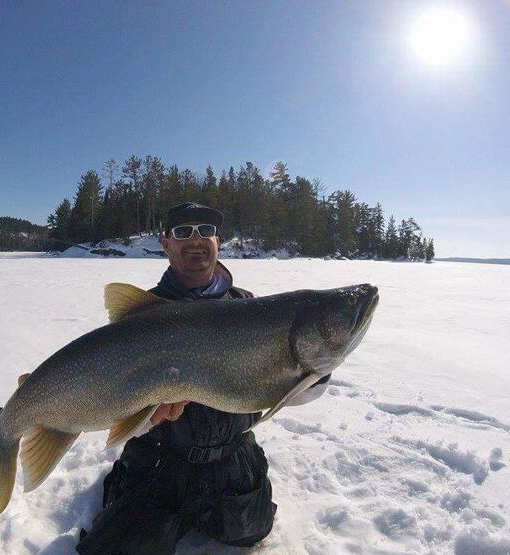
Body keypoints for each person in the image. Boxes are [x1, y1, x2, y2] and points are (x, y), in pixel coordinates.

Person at [76, 202, 330, 555]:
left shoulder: (250, 308)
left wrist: (316, 364)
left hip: (232, 460)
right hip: (160, 464)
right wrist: (146, 417)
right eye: (183, 232)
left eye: (206, 231)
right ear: (166, 244)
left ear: (219, 241)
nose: (196, 240)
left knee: (250, 531)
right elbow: (115, 407)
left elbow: (294, 393)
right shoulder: (142, 315)